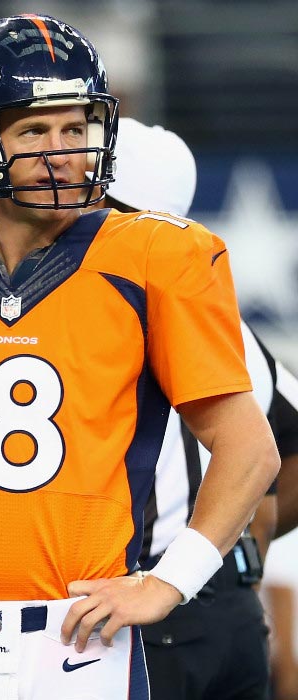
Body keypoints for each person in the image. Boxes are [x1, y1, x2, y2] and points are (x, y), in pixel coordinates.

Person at [0, 14, 279, 700]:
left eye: (76, 129)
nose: (62, 151)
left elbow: (250, 449)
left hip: (78, 641)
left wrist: (169, 582)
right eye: (35, 131)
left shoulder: (158, 257)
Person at [103, 116, 295, 699]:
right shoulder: (225, 321)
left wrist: (180, 567)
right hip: (229, 611)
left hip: (145, 604)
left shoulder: (105, 311)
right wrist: (232, 548)